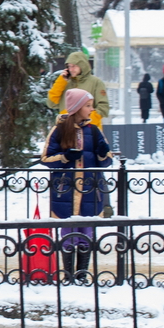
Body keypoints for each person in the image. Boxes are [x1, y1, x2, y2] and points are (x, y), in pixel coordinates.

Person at [39, 88, 113, 284]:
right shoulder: (60, 130)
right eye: (88, 106)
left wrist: (103, 153)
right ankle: (68, 275)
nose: (91, 109)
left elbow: (106, 162)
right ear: (77, 108)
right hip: (65, 192)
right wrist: (65, 157)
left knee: (86, 232)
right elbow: (46, 159)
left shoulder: (94, 131)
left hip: (90, 190)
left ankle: (82, 275)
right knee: (68, 232)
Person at [45, 52, 109, 128]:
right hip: (67, 130)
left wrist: (86, 121)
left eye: (74, 66)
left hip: (89, 131)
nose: (71, 69)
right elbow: (51, 103)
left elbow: (103, 108)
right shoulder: (64, 83)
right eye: (69, 66)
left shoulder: (96, 82)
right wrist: (61, 81)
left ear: (82, 65)